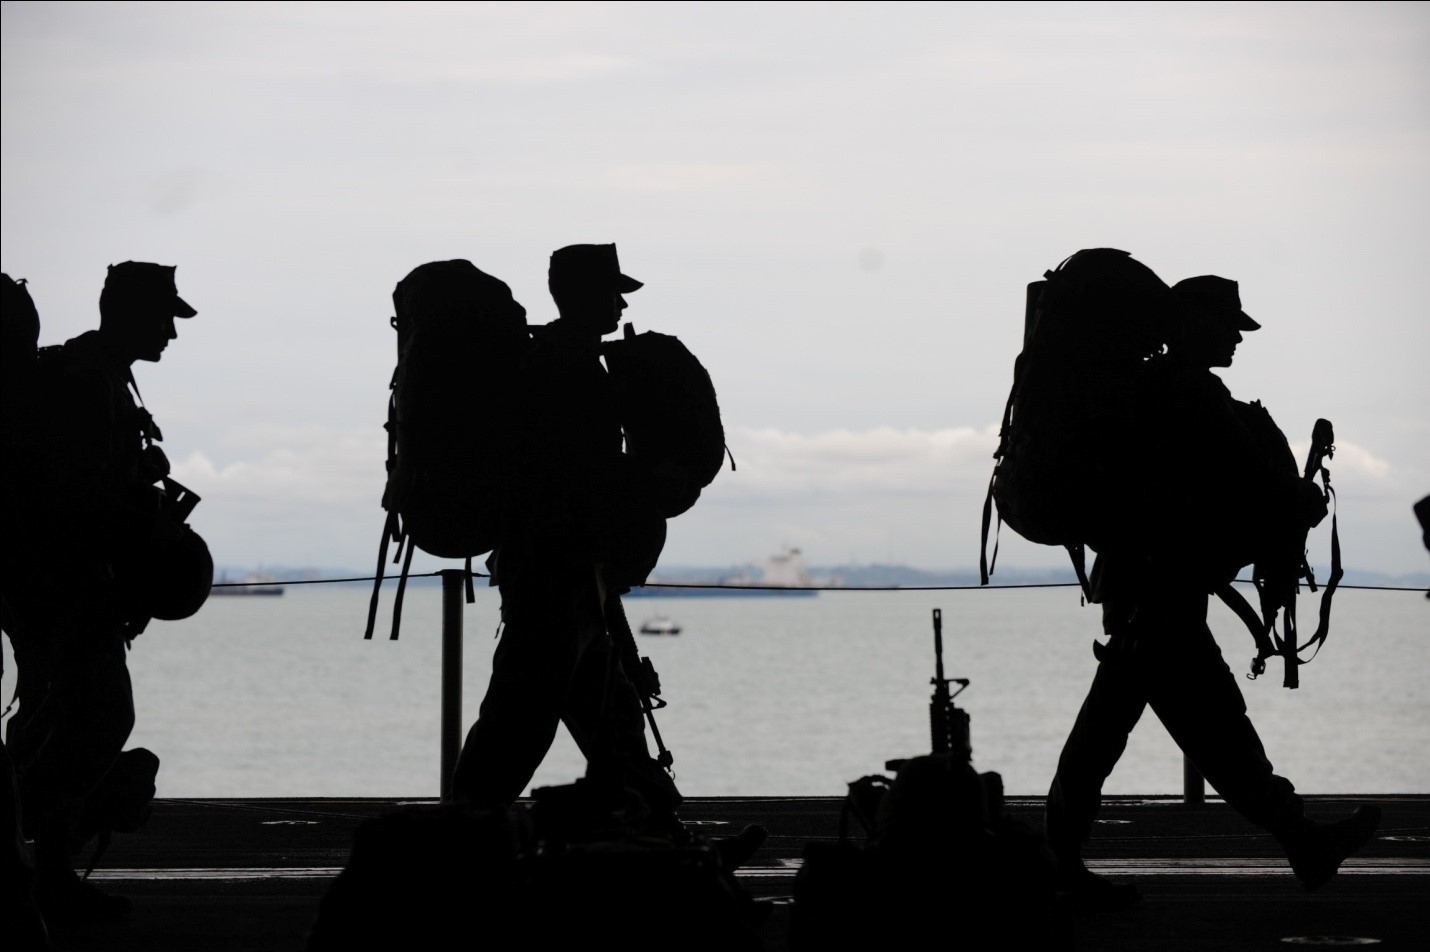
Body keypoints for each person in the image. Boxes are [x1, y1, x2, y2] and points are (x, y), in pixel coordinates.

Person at [1043, 273, 1381, 907]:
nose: (1236, 337)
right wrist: (1304, 498)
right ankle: (1300, 838)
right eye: (1228, 325)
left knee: (1152, 730)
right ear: (1191, 324)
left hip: (1149, 587)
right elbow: (1250, 481)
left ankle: (1058, 858)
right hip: (1159, 590)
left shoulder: (1155, 390)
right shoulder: (1189, 393)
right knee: (1204, 730)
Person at [450, 244, 689, 837]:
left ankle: (663, 835)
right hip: (557, 575)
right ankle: (459, 842)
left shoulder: (563, 361)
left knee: (612, 720)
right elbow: (577, 478)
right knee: (520, 723)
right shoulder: (566, 369)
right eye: (613, 290)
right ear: (582, 294)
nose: (622, 301)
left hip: (573, 577)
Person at [2, 261, 196, 922]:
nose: (172, 330)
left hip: (58, 587)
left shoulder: (101, 376)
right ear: (128, 313)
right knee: (97, 719)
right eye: (164, 315)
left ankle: (47, 878)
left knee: (58, 724)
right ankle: (32, 860)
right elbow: (79, 500)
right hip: (65, 588)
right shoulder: (89, 383)